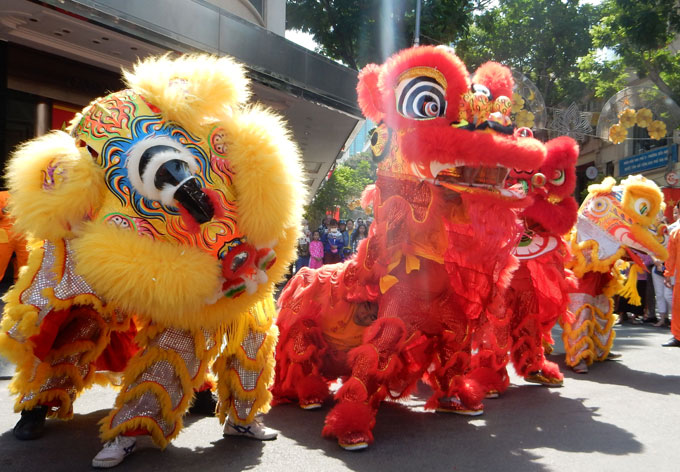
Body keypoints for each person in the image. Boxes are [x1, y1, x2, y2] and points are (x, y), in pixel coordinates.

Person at [663, 224, 680, 346]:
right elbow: (671, 255)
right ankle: (678, 336)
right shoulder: (676, 233)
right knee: (678, 307)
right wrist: (668, 272)